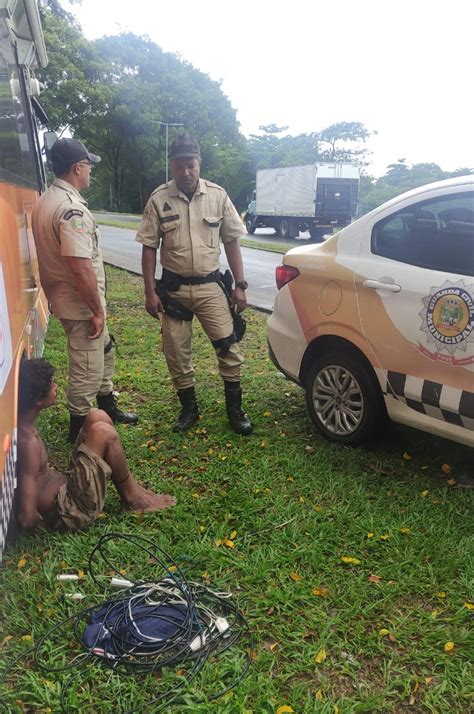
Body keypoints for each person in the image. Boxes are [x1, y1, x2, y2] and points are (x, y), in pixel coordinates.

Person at [136, 134, 252, 435]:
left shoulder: (218, 196)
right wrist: (149, 291)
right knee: (176, 351)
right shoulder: (159, 199)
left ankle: (235, 410)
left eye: (191, 165)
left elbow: (232, 242)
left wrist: (240, 285)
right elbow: (149, 247)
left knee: (229, 346)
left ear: (199, 163)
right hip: (173, 291)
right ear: (171, 167)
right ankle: (189, 409)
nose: (186, 172)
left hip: (210, 287)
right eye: (179, 166)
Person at [31, 137, 138, 442]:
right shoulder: (71, 209)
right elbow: (80, 267)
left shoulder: (46, 199)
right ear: (77, 168)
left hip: (69, 300)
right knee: (86, 369)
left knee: (104, 352)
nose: (90, 171)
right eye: (88, 166)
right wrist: (96, 310)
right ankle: (78, 433)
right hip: (80, 305)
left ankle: (108, 407)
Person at [16, 359, 175, 532]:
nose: (56, 386)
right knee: (102, 432)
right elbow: (27, 516)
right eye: (52, 384)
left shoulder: (24, 424)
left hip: (66, 487)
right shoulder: (28, 443)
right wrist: (44, 525)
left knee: (96, 416)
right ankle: (132, 499)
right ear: (39, 400)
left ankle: (131, 489)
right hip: (68, 510)